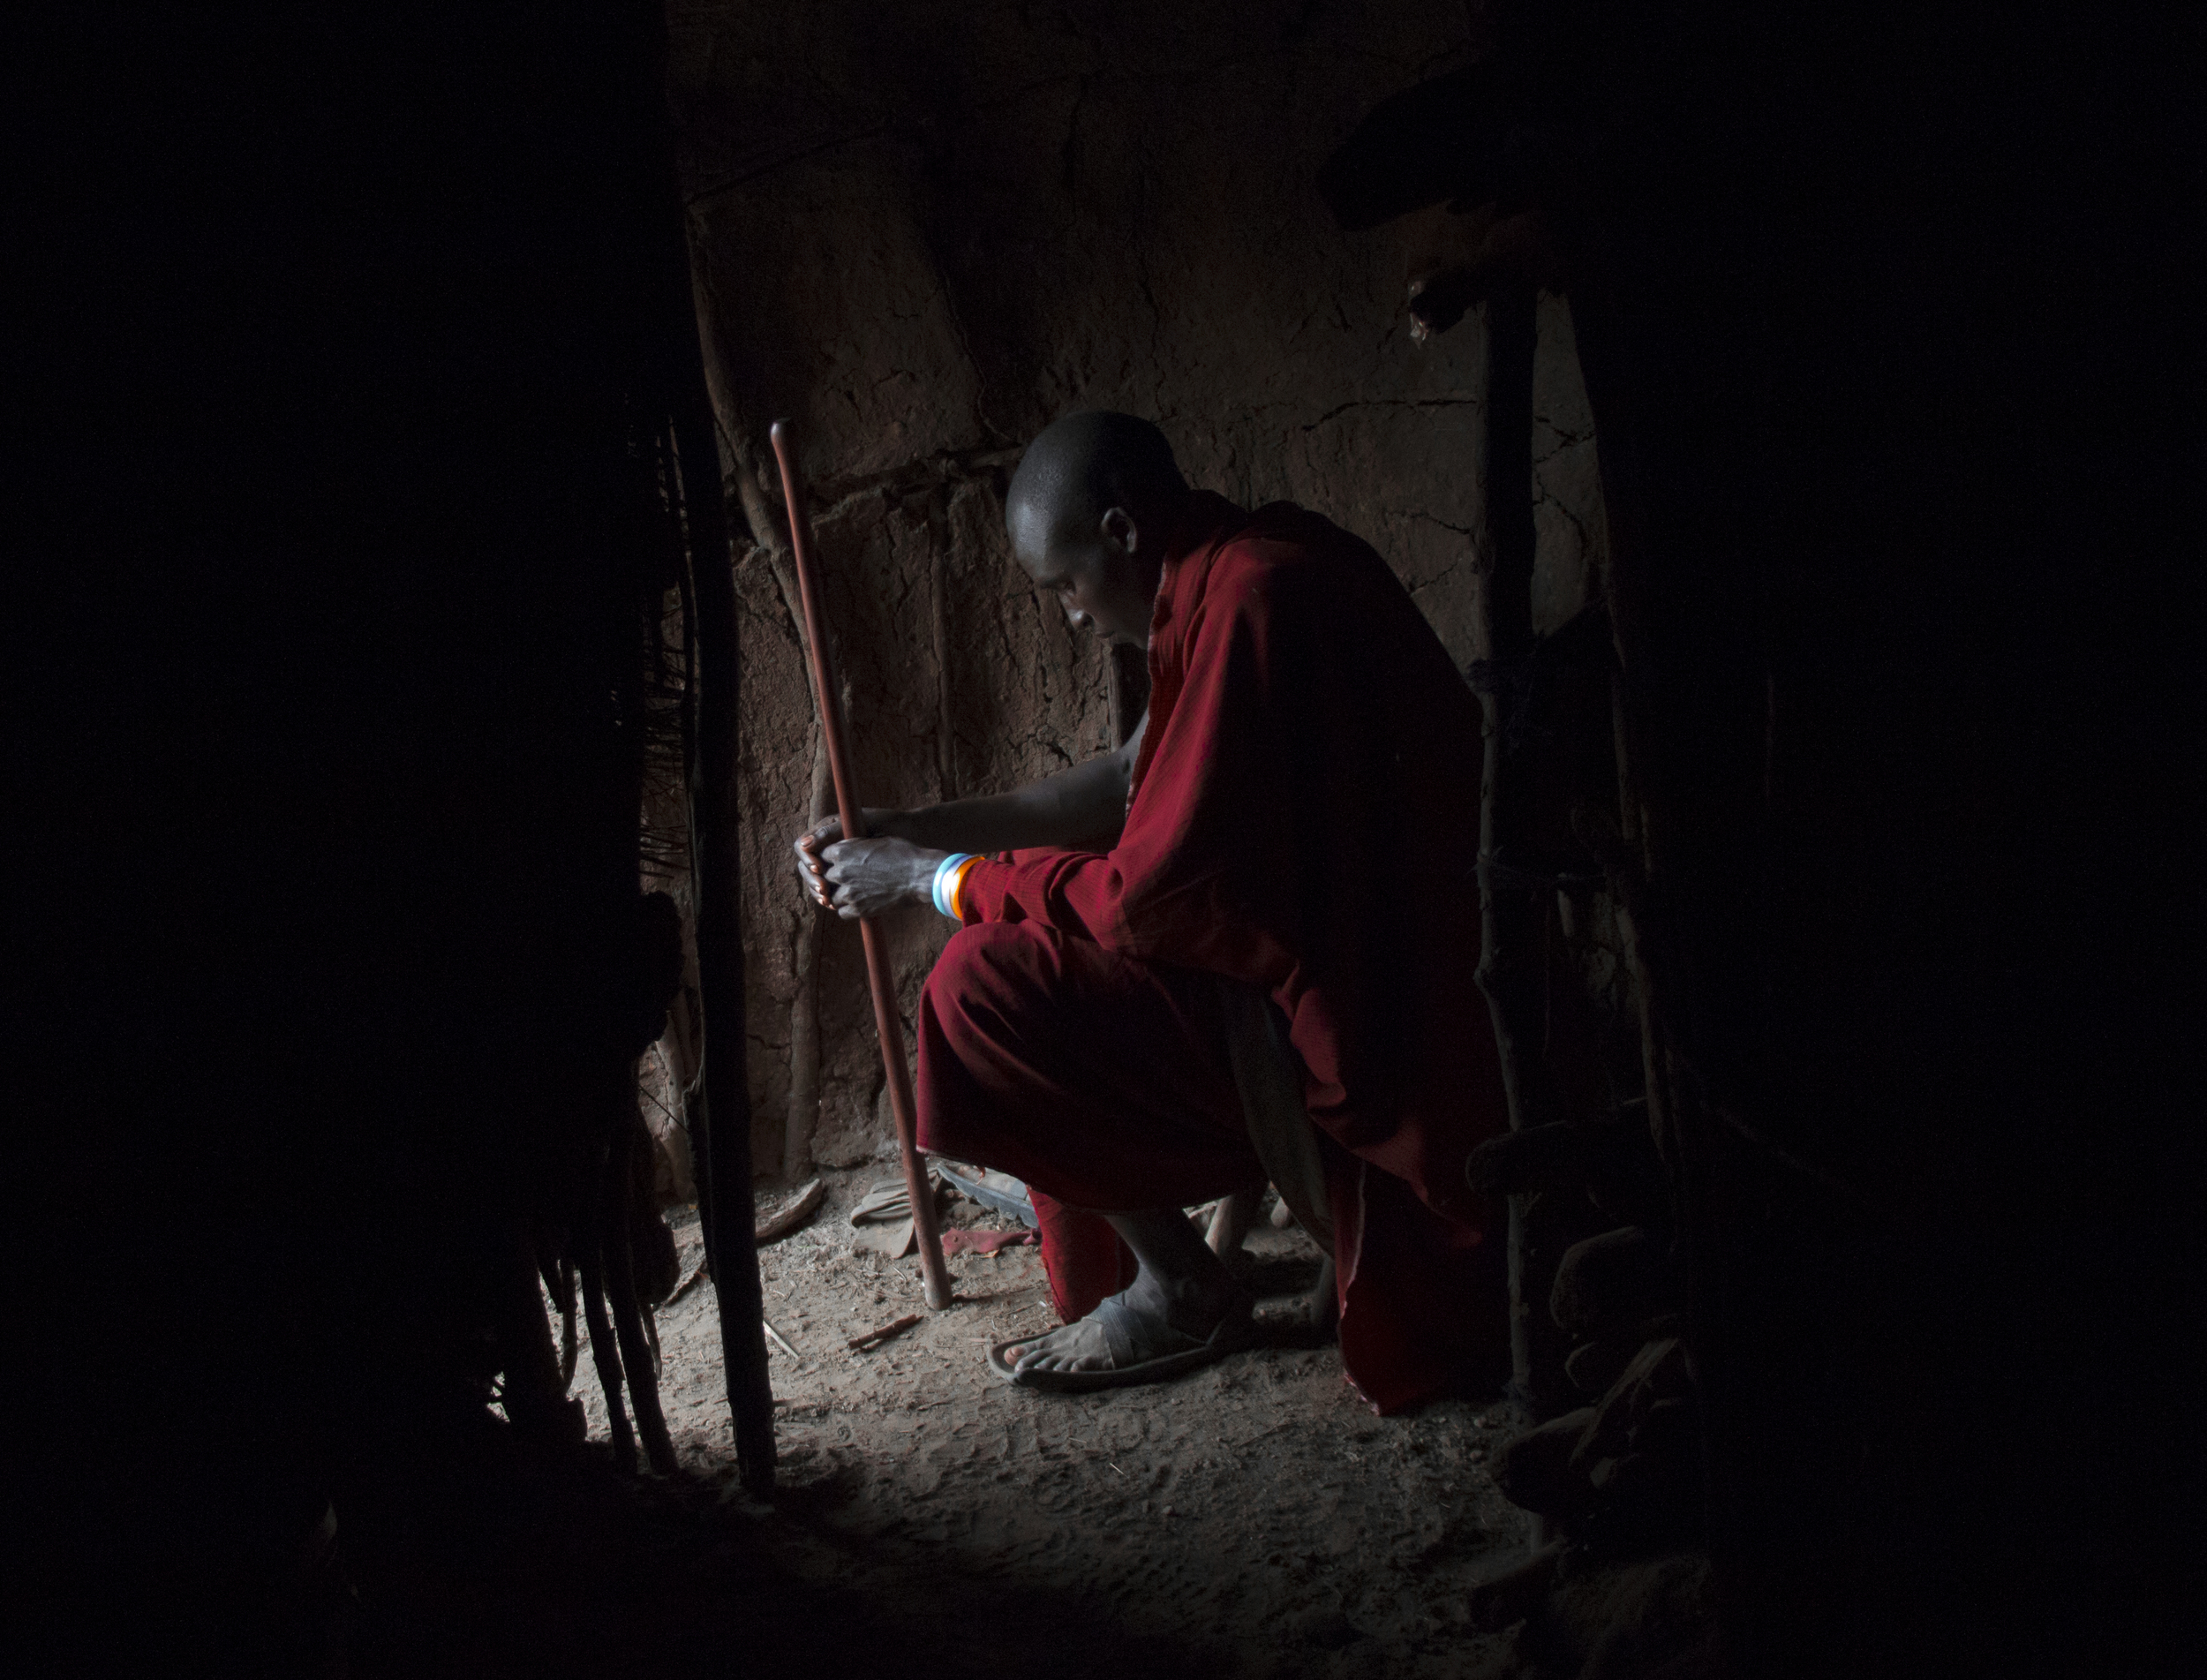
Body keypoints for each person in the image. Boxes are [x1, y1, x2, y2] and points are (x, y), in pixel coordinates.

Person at [794, 411, 1508, 1413]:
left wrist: (930, 879)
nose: (1071, 618)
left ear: (1124, 531)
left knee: (981, 985)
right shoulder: (1247, 562)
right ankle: (1203, 1265)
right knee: (1014, 937)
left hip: (1380, 1028)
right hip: (1338, 985)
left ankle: (1179, 1282)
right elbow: (1132, 779)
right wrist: (910, 828)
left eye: (1065, 586)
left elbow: (1151, 893)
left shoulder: (1256, 599)